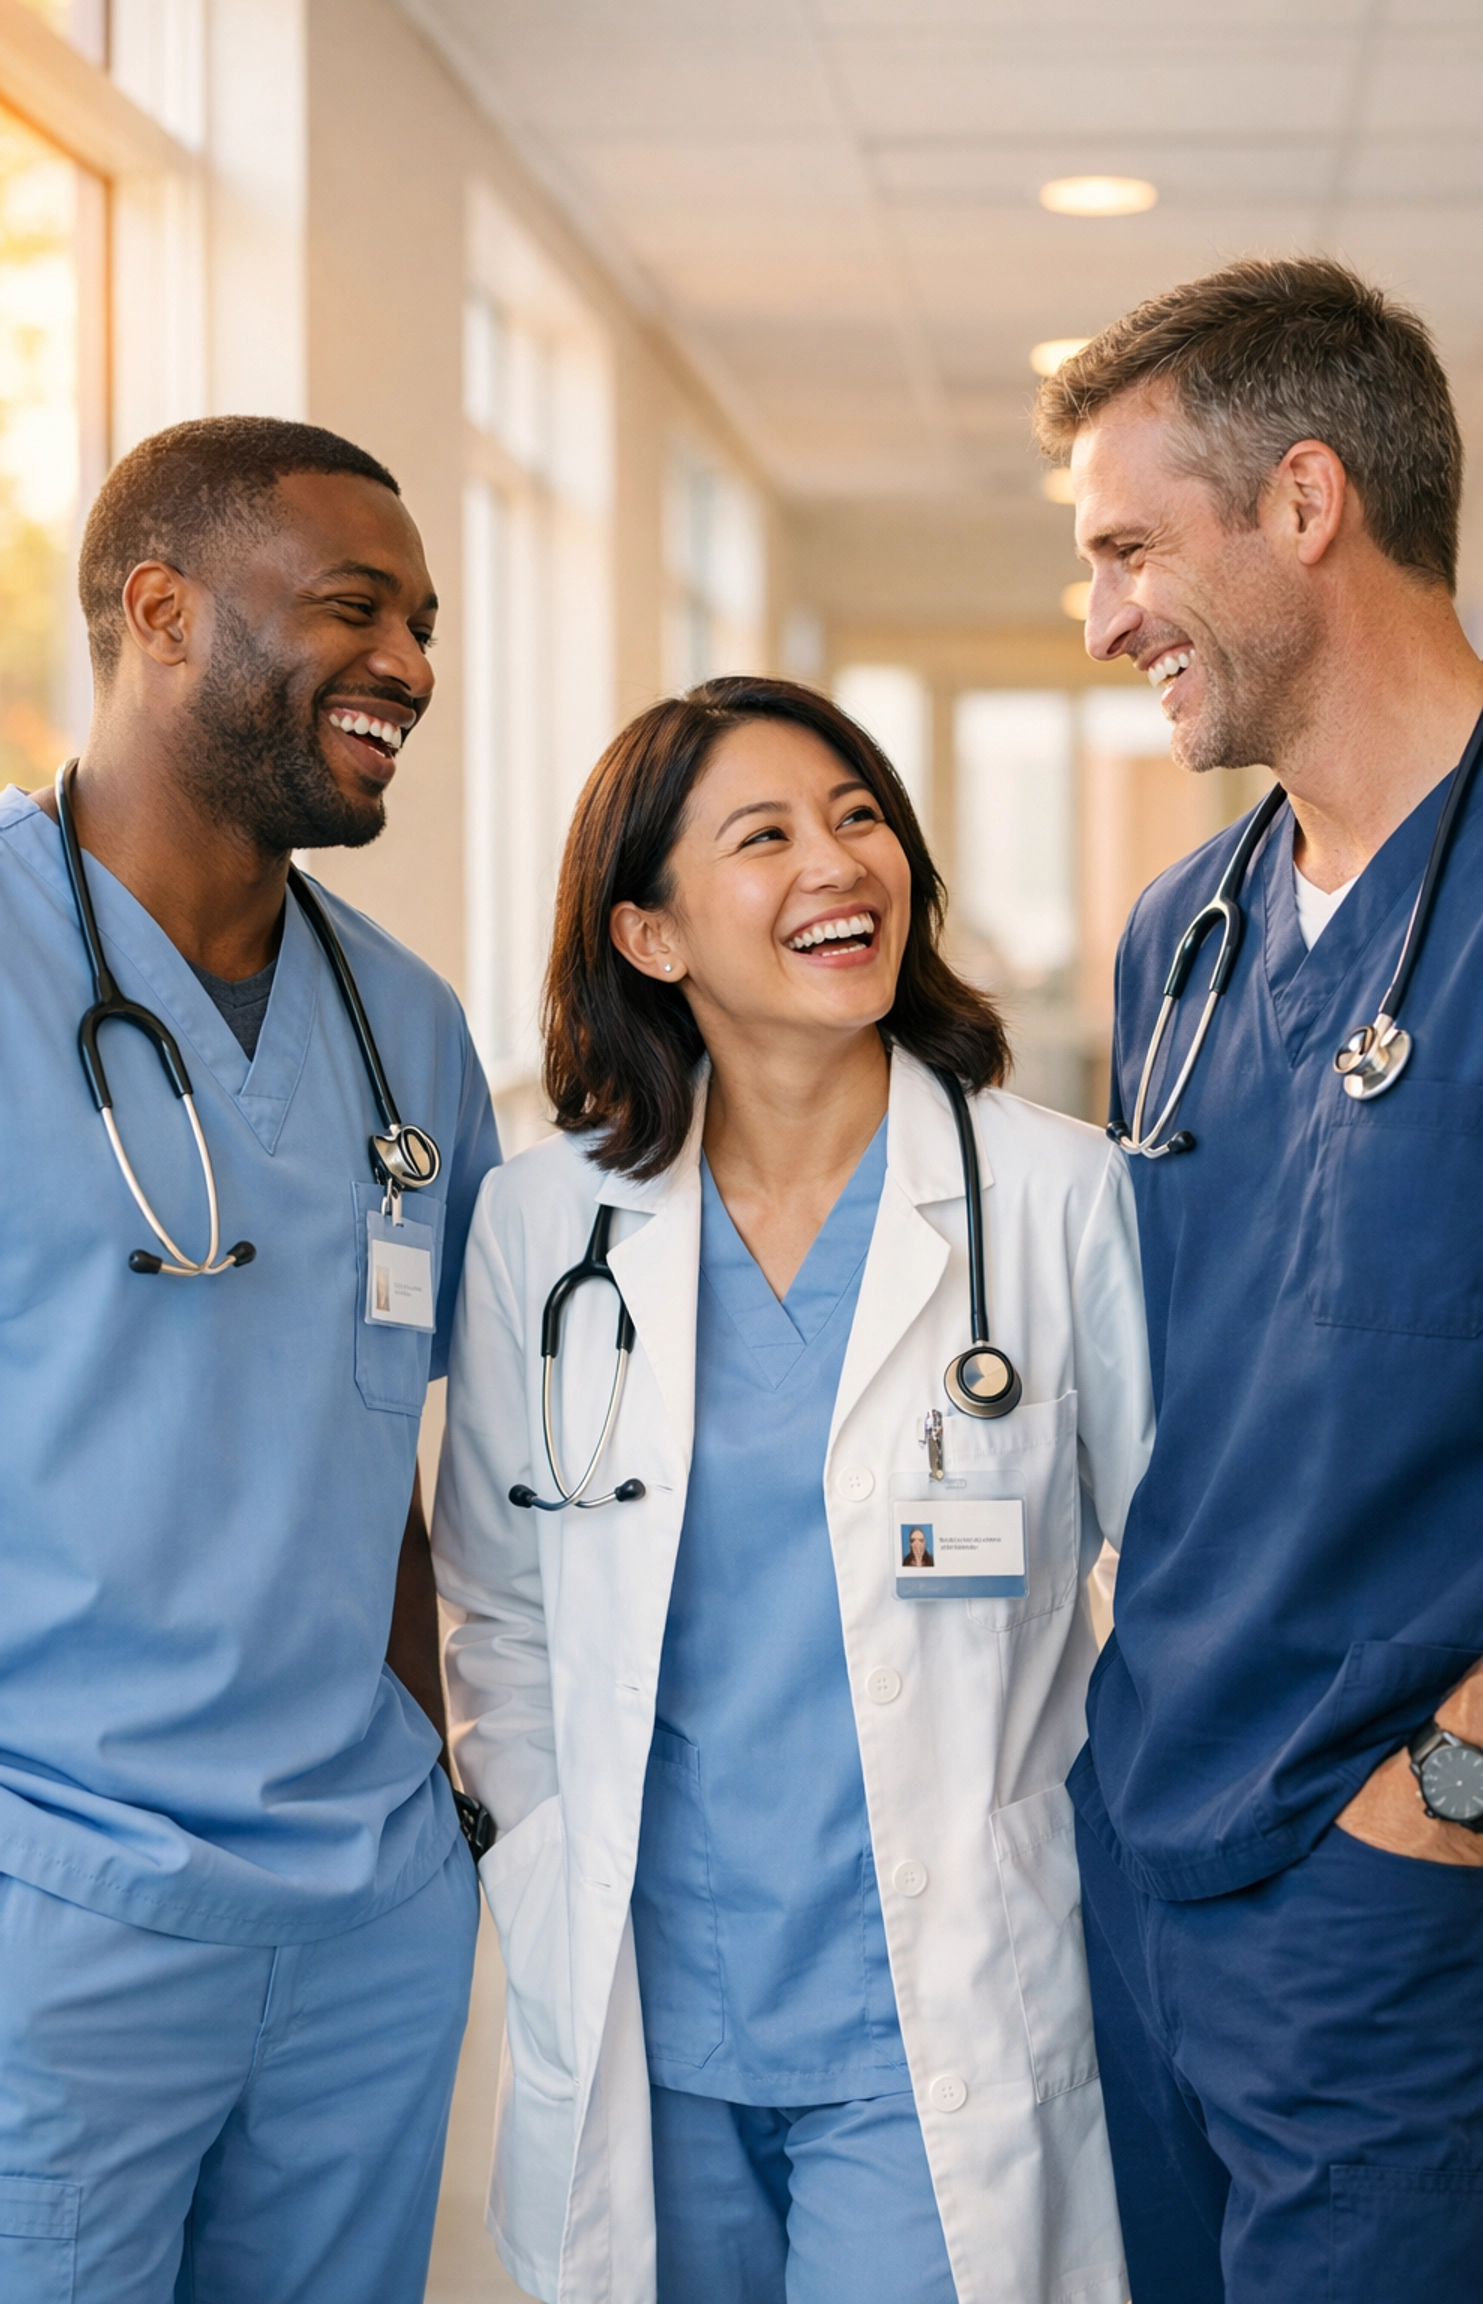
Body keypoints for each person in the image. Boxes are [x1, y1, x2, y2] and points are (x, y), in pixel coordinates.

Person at [432, 675, 1154, 2304]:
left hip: (941, 2001)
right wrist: (544, 1854)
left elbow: (1170, 1568)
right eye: (765, 836)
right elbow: (498, 1605)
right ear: (650, 936)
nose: (842, 862)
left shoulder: (1051, 1197)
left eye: (858, 818)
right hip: (651, 2001)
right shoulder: (546, 1231)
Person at [1034, 256, 1483, 2304]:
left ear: (1307, 502)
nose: (1102, 619)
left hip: (1410, 1880)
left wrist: (1465, 1770)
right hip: (1150, 1855)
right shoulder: (1189, 934)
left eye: (1132, 548)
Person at [0, 417, 502, 2303]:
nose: (412, 668)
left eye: (426, 626)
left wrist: (443, 1804)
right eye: (355, 611)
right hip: (59, 1900)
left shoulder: (406, 1033)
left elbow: (394, 1471)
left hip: (363, 1911)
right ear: (160, 612)